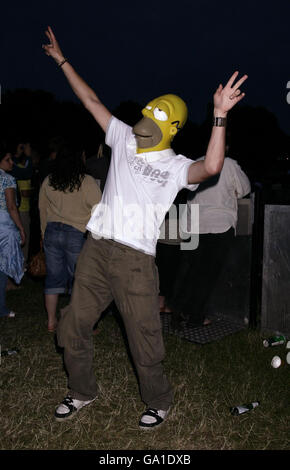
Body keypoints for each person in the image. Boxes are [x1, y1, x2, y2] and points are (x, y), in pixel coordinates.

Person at [42, 25, 247, 429]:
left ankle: (159, 400)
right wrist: (62, 60)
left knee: (144, 338)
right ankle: (82, 390)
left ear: (172, 127)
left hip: (135, 260)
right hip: (96, 249)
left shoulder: (174, 166)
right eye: (150, 109)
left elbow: (211, 167)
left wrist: (220, 115)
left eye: (159, 114)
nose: (148, 116)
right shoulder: (122, 138)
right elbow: (89, 99)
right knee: (72, 325)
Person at [168, 155, 251, 328]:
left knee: (190, 272)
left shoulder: (195, 163)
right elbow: (244, 189)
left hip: (194, 224)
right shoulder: (228, 163)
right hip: (218, 224)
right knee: (207, 275)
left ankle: (178, 311)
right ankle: (196, 317)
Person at [39, 142, 102, 332]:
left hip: (51, 232)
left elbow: (42, 208)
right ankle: (83, 324)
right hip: (76, 233)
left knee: (53, 278)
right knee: (81, 280)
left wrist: (43, 234)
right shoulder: (86, 181)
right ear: (80, 158)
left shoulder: (49, 180)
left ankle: (51, 321)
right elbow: (100, 209)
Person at [0, 145, 25, 318]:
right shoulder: (7, 179)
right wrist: (21, 228)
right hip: (4, 227)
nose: (11, 162)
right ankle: (1, 308)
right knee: (2, 268)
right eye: (7, 159)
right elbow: (11, 206)